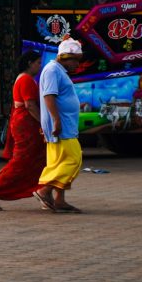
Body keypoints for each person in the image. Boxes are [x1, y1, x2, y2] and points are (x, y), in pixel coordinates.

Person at [0, 51, 47, 211]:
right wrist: (44, 124)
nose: (40, 66)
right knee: (22, 161)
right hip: (26, 125)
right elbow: (30, 105)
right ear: (30, 63)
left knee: (34, 160)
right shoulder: (26, 80)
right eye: (38, 63)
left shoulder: (23, 79)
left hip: (23, 123)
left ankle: (44, 191)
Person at [34, 38, 85, 213]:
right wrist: (56, 120)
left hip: (64, 124)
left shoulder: (58, 70)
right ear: (64, 56)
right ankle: (45, 190)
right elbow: (49, 96)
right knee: (73, 159)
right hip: (61, 125)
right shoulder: (52, 70)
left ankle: (59, 199)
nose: (77, 64)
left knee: (59, 162)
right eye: (75, 60)